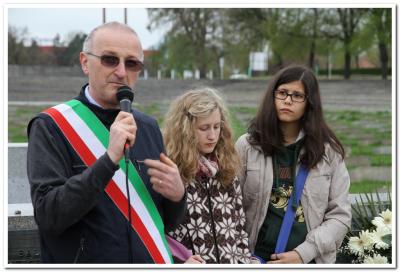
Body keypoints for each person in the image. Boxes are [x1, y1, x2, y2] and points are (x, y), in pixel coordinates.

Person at [27, 22, 186, 263]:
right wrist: (109, 161)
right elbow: (50, 216)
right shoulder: (51, 126)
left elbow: (167, 222)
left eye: (132, 63)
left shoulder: (149, 127)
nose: (122, 72)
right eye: (110, 59)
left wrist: (177, 196)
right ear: (84, 62)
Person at [235, 65, 352, 264]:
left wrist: (303, 253)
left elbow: (340, 216)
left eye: (297, 95)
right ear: (272, 96)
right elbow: (231, 207)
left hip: (309, 262)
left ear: (309, 103)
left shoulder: (328, 152)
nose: (288, 100)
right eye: (282, 93)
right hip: (256, 260)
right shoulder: (247, 146)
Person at [163, 88, 253, 264]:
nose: (212, 136)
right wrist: (178, 262)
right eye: (204, 128)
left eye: (217, 126)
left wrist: (246, 262)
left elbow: (239, 227)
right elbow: (160, 232)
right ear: (185, 130)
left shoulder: (226, 167)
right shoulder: (171, 172)